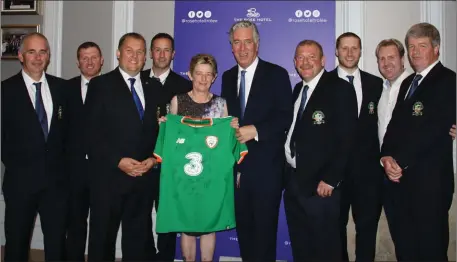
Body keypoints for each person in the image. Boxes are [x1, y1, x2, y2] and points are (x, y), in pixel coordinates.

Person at [381, 22, 456, 261]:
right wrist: (385, 156)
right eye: (411, 46)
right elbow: (394, 127)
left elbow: (434, 131)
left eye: (421, 46)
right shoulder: (407, 82)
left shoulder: (448, 81)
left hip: (430, 186)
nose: (415, 52)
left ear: (436, 49)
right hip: (401, 185)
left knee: (431, 251)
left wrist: (399, 161)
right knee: (406, 250)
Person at [220, 20, 293, 261]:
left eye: (247, 42)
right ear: (231, 47)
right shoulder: (228, 77)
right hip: (237, 173)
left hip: (267, 172)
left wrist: (256, 130)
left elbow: (286, 117)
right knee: (245, 235)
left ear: (257, 44)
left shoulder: (277, 74)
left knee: (264, 237)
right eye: (237, 42)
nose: (242, 48)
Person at [157, 53, 239, 262]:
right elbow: (171, 135)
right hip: (184, 174)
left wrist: (233, 128)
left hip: (211, 174)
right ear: (190, 75)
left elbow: (228, 139)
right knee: (187, 225)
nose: (203, 79)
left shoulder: (221, 104)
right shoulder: (178, 100)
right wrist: (164, 126)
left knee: (208, 225)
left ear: (214, 77)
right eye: (199, 74)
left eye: (208, 74)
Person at [85, 32, 160, 261]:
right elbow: (91, 134)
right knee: (102, 242)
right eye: (129, 50)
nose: (135, 56)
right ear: (118, 53)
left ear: (146, 56)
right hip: (109, 179)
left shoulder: (154, 87)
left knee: (138, 242)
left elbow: (159, 131)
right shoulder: (100, 85)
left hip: (142, 179)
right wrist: (118, 161)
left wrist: (153, 159)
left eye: (140, 51)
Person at [283, 39, 358, 261]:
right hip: (294, 183)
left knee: (326, 250)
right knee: (302, 247)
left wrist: (331, 179)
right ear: (295, 62)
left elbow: (347, 139)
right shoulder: (298, 89)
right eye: (300, 57)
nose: (305, 62)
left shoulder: (340, 88)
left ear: (323, 60)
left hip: (321, 187)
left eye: (311, 57)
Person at [1, 33, 68, 261]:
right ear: (20, 56)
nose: (38, 57)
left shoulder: (62, 89)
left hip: (56, 185)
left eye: (43, 52)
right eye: (32, 52)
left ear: (48, 56)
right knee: (17, 244)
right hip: (21, 183)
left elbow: (68, 134)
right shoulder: (5, 91)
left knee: (57, 244)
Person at [330, 32, 384, 261]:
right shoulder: (324, 84)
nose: (350, 53)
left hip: (368, 174)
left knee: (367, 230)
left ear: (361, 51)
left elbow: (394, 117)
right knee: (335, 230)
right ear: (336, 51)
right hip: (335, 175)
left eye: (355, 48)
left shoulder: (376, 84)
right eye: (344, 48)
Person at [141, 32, 192, 261]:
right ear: (151, 52)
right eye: (157, 49)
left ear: (173, 54)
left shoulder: (184, 86)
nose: (162, 54)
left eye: (166, 50)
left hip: (171, 165)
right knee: (139, 217)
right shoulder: (136, 80)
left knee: (168, 218)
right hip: (140, 162)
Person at [64, 41, 104, 261]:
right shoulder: (65, 89)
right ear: (78, 62)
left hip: (103, 171)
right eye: (84, 58)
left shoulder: (112, 87)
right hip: (75, 170)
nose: (89, 62)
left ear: (102, 60)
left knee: (100, 227)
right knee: (75, 224)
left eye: (94, 57)